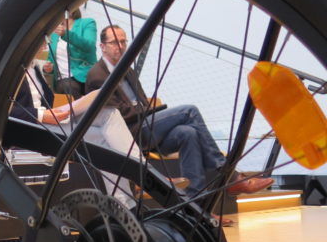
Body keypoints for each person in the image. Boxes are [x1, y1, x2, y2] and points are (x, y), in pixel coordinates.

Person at [85, 25, 274, 199]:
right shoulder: (97, 75)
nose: (121, 46)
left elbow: (141, 103)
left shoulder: (129, 71)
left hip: (146, 125)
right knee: (189, 111)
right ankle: (228, 174)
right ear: (102, 46)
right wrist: (148, 110)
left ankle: (195, 203)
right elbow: (117, 117)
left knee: (188, 133)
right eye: (115, 42)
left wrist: (148, 110)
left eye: (124, 41)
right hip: (129, 133)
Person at [44, 8, 97, 98]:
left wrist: (66, 34)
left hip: (86, 75)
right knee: (67, 87)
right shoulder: (53, 34)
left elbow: (90, 46)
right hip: (64, 80)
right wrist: (49, 68)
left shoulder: (86, 23)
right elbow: (51, 59)